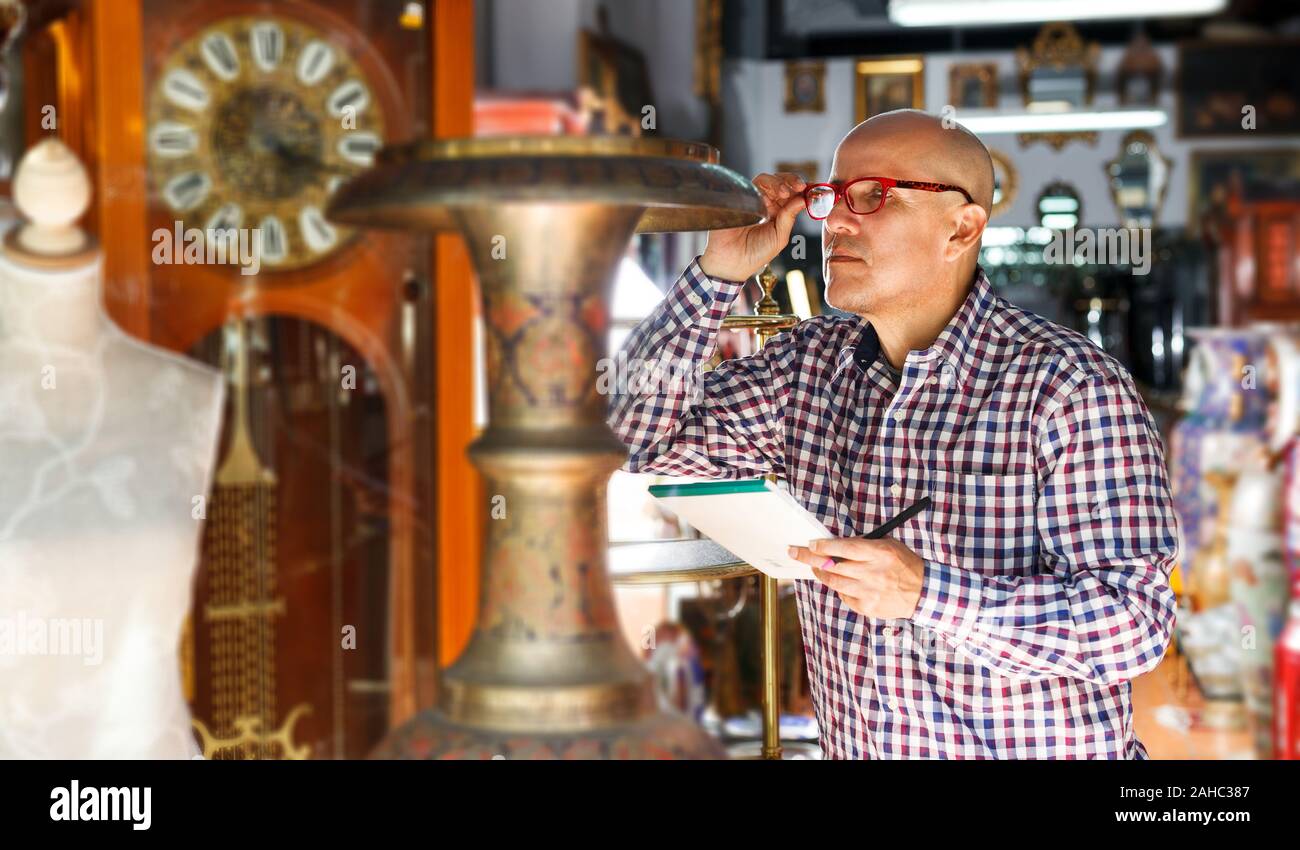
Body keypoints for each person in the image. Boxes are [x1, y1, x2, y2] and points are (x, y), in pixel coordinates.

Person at [608, 109, 1178, 759]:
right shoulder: (808, 368)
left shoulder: (1068, 388)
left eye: (873, 196)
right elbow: (635, 437)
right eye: (832, 196)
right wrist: (718, 275)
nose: (837, 222)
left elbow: (1135, 625)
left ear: (961, 228)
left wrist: (931, 596)